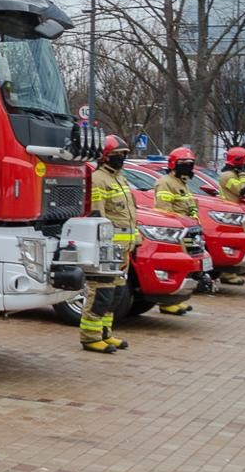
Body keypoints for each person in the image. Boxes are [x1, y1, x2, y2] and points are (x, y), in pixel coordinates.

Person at [81, 136, 137, 354]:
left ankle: (105, 333)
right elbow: (98, 215)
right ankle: (90, 337)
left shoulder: (120, 180)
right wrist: (103, 246)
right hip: (109, 248)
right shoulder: (98, 179)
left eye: (124, 155)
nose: (121, 159)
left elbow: (131, 215)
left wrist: (136, 242)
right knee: (101, 292)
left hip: (124, 250)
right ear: (105, 156)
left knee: (115, 294)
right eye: (118, 155)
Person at [152, 148, 214, 301]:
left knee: (187, 267)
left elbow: (189, 205)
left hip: (188, 232)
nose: (187, 166)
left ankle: (178, 298)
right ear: (174, 164)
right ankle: (167, 303)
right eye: (183, 163)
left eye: (190, 163)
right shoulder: (166, 183)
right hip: (176, 233)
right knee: (173, 267)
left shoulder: (181, 182)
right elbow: (164, 211)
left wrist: (193, 217)